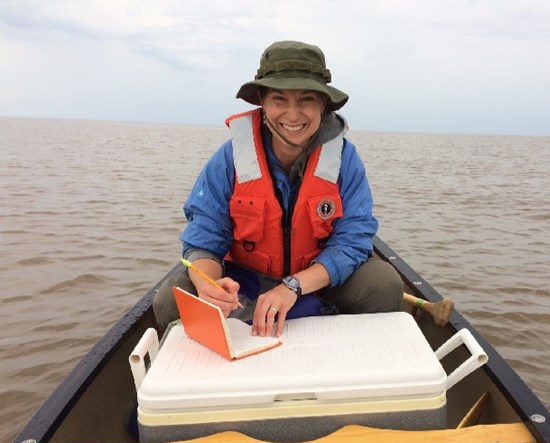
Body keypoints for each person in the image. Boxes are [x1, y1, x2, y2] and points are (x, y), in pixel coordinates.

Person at [153, 40, 406, 337]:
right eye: (279, 100)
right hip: (244, 283)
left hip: (317, 283)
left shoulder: (344, 160)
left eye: (306, 99)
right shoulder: (230, 157)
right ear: (262, 100)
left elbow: (353, 242)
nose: (293, 114)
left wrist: (293, 287)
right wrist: (211, 285)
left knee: (384, 282)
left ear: (323, 104)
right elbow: (204, 234)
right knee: (171, 298)